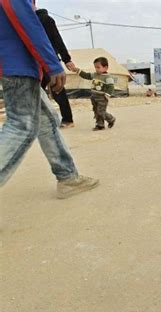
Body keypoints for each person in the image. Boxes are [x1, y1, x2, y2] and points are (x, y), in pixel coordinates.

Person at [0, 0, 99, 198]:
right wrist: (53, 64)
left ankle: (67, 177)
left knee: (47, 120)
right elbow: (28, 22)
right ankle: (68, 177)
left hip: (18, 64)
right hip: (17, 64)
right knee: (22, 125)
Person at [34, 1, 75, 128]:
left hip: (49, 61)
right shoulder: (25, 21)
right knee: (34, 91)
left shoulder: (45, 19)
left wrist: (66, 59)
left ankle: (68, 119)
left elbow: (57, 39)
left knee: (57, 89)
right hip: (34, 62)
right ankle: (41, 120)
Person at [73, 57, 116, 131]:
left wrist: (107, 94)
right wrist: (78, 71)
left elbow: (111, 87)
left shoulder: (108, 77)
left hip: (102, 97)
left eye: (98, 67)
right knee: (96, 110)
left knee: (100, 111)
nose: (96, 69)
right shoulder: (94, 75)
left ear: (105, 68)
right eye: (95, 67)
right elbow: (86, 75)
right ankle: (100, 125)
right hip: (94, 96)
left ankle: (110, 119)